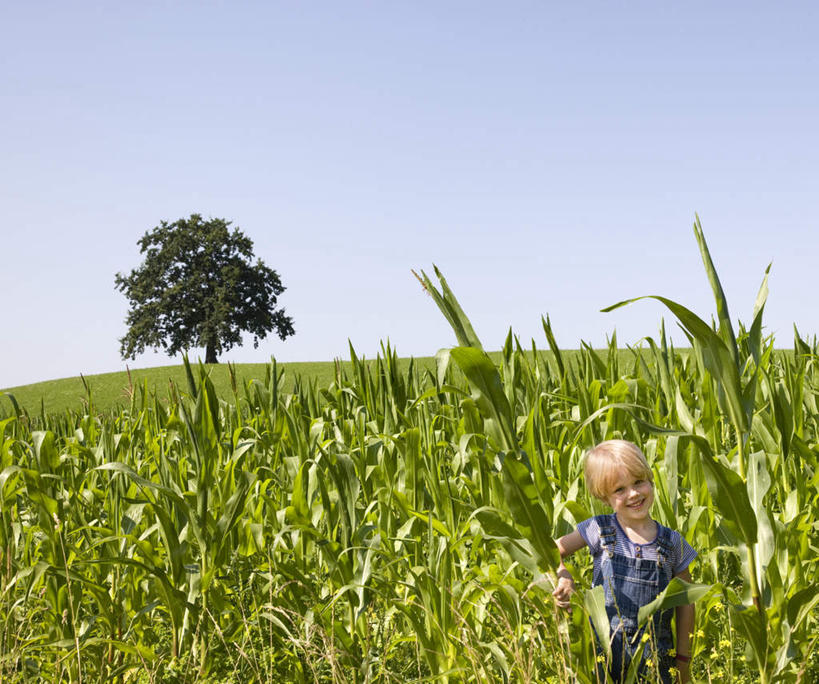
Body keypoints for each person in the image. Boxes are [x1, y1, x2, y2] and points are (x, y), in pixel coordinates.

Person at [552, 440, 696, 683]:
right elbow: (551, 551)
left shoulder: (673, 544)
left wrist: (683, 660)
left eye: (638, 482)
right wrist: (563, 574)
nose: (633, 494)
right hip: (603, 656)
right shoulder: (599, 529)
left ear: (650, 480)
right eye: (619, 490)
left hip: (654, 661)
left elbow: (687, 603)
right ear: (605, 497)